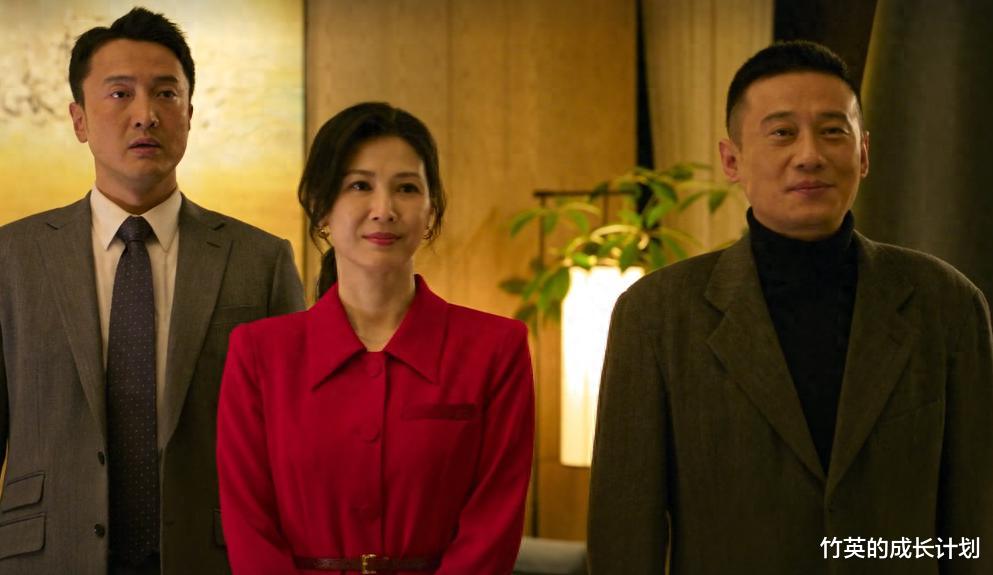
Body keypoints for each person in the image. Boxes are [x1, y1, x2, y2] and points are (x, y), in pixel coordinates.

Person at [588, 40, 992, 574]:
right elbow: (623, 534)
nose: (809, 155)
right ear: (731, 160)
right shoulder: (656, 315)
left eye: (833, 131)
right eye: (781, 132)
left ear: (863, 153)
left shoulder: (945, 303)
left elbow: (974, 522)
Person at [0, 8, 305, 574]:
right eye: (120, 94)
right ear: (78, 119)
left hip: (212, 556)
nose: (146, 114)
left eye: (166, 94)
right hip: (45, 555)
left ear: (189, 112)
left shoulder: (260, 261)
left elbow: (295, 445)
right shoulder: (12, 258)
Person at [216, 102, 535, 574]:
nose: (384, 210)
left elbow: (494, 523)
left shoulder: (496, 348)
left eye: (406, 188)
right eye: (359, 186)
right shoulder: (260, 354)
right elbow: (249, 525)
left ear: (431, 211)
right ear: (322, 208)